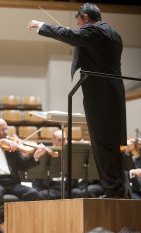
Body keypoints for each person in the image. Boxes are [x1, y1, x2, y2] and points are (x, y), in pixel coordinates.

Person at [28, 3, 128, 198]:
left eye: (79, 23)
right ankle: (117, 191)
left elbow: (72, 36)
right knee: (110, 146)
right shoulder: (113, 33)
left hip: (101, 95)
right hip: (112, 94)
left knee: (102, 145)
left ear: (86, 18)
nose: (79, 27)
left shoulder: (95, 31)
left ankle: (114, 193)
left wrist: (42, 25)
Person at [0, 118, 46, 233]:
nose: (5, 132)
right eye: (1, 129)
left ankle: (22, 223)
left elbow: (23, 166)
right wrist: (1, 141)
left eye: (6, 128)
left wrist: (36, 157)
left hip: (12, 182)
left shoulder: (12, 146)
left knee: (33, 193)